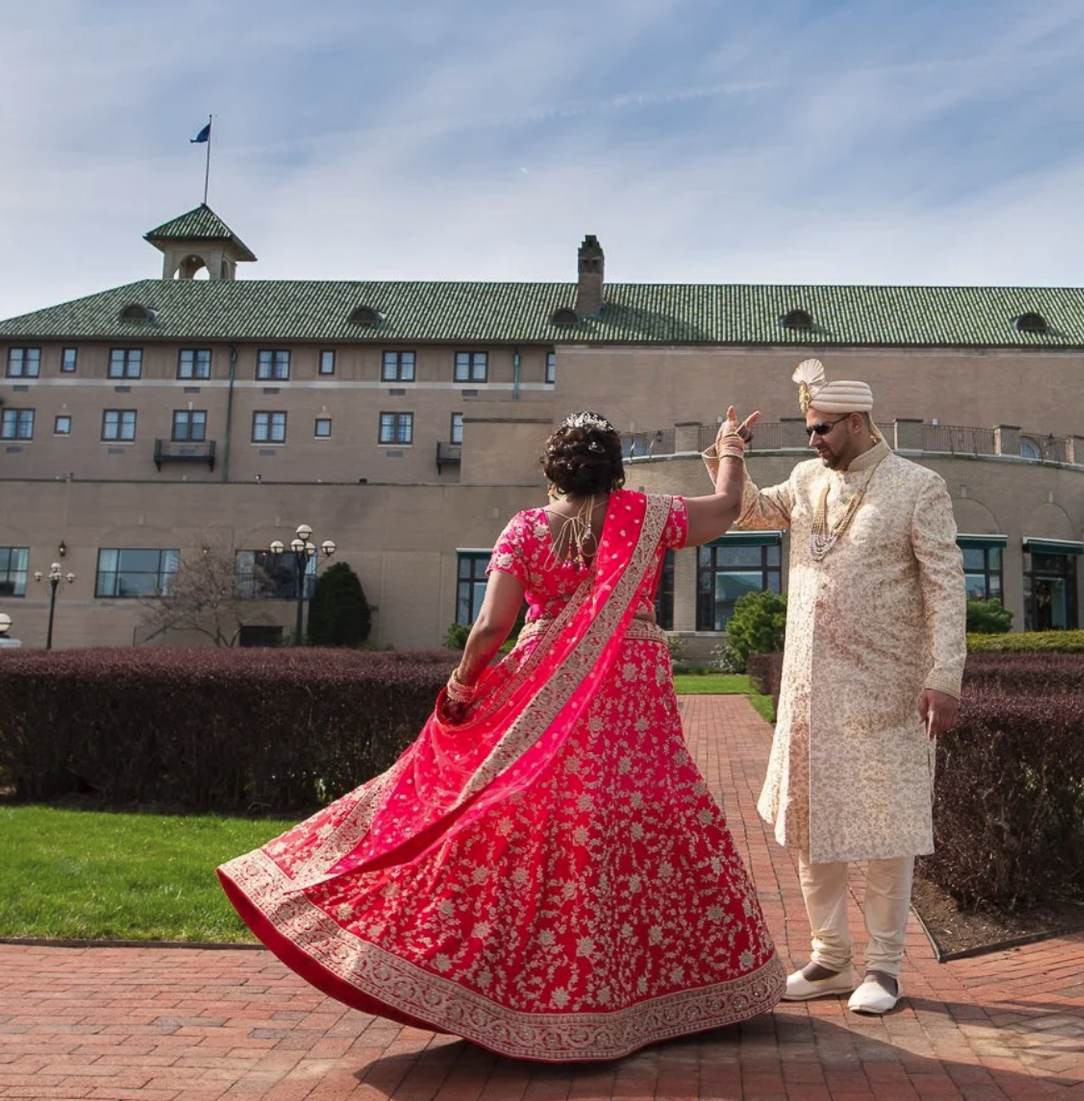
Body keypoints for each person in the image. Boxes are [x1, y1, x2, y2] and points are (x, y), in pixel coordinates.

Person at [217, 410, 783, 1062]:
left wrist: (461, 685)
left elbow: (490, 625)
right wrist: (731, 447)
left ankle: (506, 973)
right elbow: (726, 507)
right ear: (616, 469)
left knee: (519, 812)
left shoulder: (530, 527)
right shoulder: (647, 515)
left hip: (542, 687)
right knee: (655, 807)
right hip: (632, 685)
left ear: (553, 471)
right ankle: (679, 986)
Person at [713, 359, 965, 1016]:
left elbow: (945, 587)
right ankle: (829, 957)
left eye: (822, 428)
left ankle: (882, 966)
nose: (813, 440)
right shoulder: (803, 480)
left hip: (885, 690)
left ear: (856, 421)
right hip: (806, 694)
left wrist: (946, 674)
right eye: (807, 430)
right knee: (807, 825)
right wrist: (730, 455)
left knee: (884, 828)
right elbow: (743, 510)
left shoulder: (918, 487)